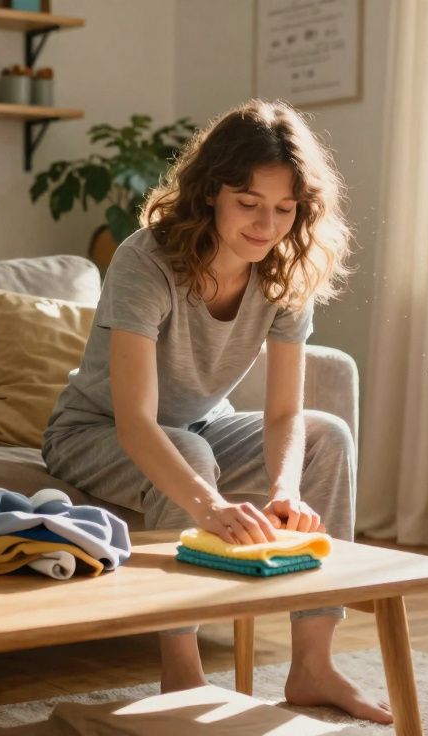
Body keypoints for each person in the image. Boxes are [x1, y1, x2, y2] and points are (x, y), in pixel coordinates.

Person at [41, 99, 391, 724]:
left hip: (197, 426)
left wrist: (285, 488)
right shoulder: (146, 262)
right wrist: (209, 504)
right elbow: (136, 422)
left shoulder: (285, 273)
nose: (266, 225)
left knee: (327, 436)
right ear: (210, 194)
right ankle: (183, 675)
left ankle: (313, 663)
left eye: (284, 210)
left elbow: (286, 411)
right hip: (92, 431)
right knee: (191, 451)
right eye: (248, 203)